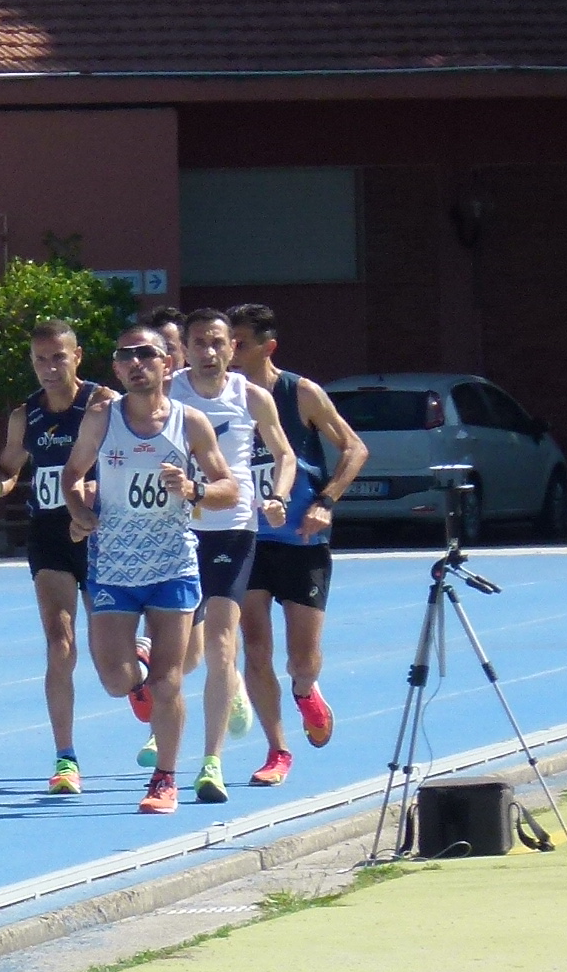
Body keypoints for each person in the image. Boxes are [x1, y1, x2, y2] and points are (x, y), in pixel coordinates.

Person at [65, 324, 237, 815]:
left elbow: (228, 488)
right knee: (116, 681)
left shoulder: (190, 422)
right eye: (126, 356)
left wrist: (194, 489)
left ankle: (165, 779)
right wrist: (80, 513)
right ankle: (137, 661)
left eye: (146, 354)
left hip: (172, 565)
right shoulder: (102, 419)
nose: (135, 363)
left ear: (167, 363)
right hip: (114, 566)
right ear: (116, 369)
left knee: (168, 683)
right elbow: (73, 475)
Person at [0, 318, 109, 794]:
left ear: (76, 356)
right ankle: (65, 758)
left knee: (110, 656)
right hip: (49, 535)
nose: (49, 367)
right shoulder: (26, 416)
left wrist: (97, 491)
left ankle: (139, 684)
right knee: (59, 641)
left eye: (58, 357)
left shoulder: (103, 405)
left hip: (101, 535)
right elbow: (8, 469)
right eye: (40, 359)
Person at [229, 304, 369, 786]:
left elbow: (355, 447)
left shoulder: (299, 393)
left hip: (302, 539)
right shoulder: (222, 397)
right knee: (255, 647)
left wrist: (326, 501)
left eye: (240, 343)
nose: (230, 351)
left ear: (268, 347)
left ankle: (307, 690)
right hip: (248, 539)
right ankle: (277, 749)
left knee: (301, 660)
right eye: (227, 341)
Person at [167, 308, 295, 803]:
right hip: (174, 529)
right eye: (199, 342)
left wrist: (278, 496)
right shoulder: (167, 393)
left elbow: (283, 454)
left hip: (232, 528)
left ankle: (211, 763)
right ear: (185, 349)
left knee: (223, 643)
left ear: (232, 348)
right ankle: (217, 695)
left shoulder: (251, 396)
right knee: (180, 654)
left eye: (218, 342)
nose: (209, 351)